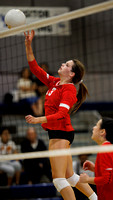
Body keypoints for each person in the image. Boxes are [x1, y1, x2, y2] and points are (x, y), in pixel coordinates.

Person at [24, 30, 97, 200]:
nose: (62, 64)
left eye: (66, 64)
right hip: (58, 133)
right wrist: (28, 44)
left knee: (58, 180)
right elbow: (34, 68)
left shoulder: (69, 90)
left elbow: (62, 113)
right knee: (70, 177)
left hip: (61, 133)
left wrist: (38, 119)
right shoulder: (55, 82)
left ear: (71, 74)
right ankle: (95, 199)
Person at [79, 117, 113, 200]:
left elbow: (106, 179)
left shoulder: (105, 149)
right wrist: (95, 169)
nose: (93, 128)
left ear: (102, 131)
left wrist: (87, 179)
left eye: (96, 125)